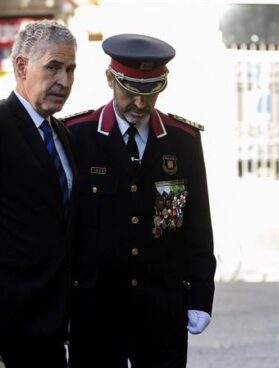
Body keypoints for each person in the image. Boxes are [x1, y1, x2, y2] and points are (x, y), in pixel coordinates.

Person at [63, 34, 217, 367]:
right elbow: (66, 229)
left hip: (162, 307)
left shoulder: (183, 140)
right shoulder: (77, 136)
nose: (139, 104)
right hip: (95, 308)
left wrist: (201, 295)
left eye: (150, 94)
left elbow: (197, 225)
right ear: (109, 79)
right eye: (130, 92)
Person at [0, 20, 77, 368]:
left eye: (70, 69)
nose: (64, 81)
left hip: (54, 327)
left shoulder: (64, 135)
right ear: (21, 67)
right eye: (53, 67)